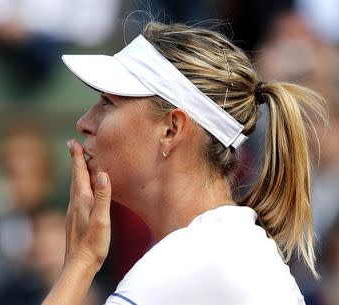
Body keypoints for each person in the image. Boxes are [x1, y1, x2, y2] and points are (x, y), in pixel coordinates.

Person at [42, 21, 326, 305]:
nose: (84, 123)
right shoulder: (214, 244)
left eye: (108, 103)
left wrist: (81, 261)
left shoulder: (195, 256)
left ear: (171, 129)